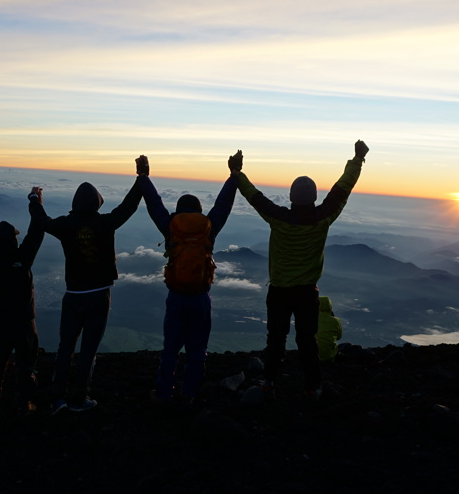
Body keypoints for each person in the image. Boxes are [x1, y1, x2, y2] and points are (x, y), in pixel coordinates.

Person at [236, 140, 369, 400]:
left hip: (279, 291)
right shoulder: (323, 218)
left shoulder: (278, 217)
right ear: (314, 197)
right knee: (307, 341)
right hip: (307, 293)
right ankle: (312, 387)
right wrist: (357, 160)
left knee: (275, 339)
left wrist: (237, 173)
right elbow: (343, 189)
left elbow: (254, 197)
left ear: (290, 196)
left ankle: (269, 383)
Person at [30, 173, 143, 413]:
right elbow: (129, 206)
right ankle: (79, 399)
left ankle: (57, 399)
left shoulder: (64, 224)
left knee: (65, 348)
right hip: (99, 295)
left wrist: (34, 200)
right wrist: (141, 178)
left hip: (73, 295)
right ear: (96, 203)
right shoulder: (105, 222)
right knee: (88, 350)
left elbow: (42, 221)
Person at [135, 153, 238, 405]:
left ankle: (163, 393)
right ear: (199, 211)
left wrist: (143, 176)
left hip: (177, 297)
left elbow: (154, 204)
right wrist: (234, 175)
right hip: (201, 298)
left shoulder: (171, 226)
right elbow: (223, 204)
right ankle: (190, 394)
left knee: (170, 349)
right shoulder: (208, 228)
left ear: (179, 210)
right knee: (196, 350)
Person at [0, 188, 46, 414]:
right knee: (26, 366)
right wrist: (36, 200)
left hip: (2, 324)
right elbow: (37, 231)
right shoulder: (21, 258)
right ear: (14, 239)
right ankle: (24, 404)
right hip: (25, 323)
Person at [316, 296, 343, 362]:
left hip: (311, 356)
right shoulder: (336, 321)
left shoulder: (310, 319)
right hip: (329, 356)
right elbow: (339, 337)